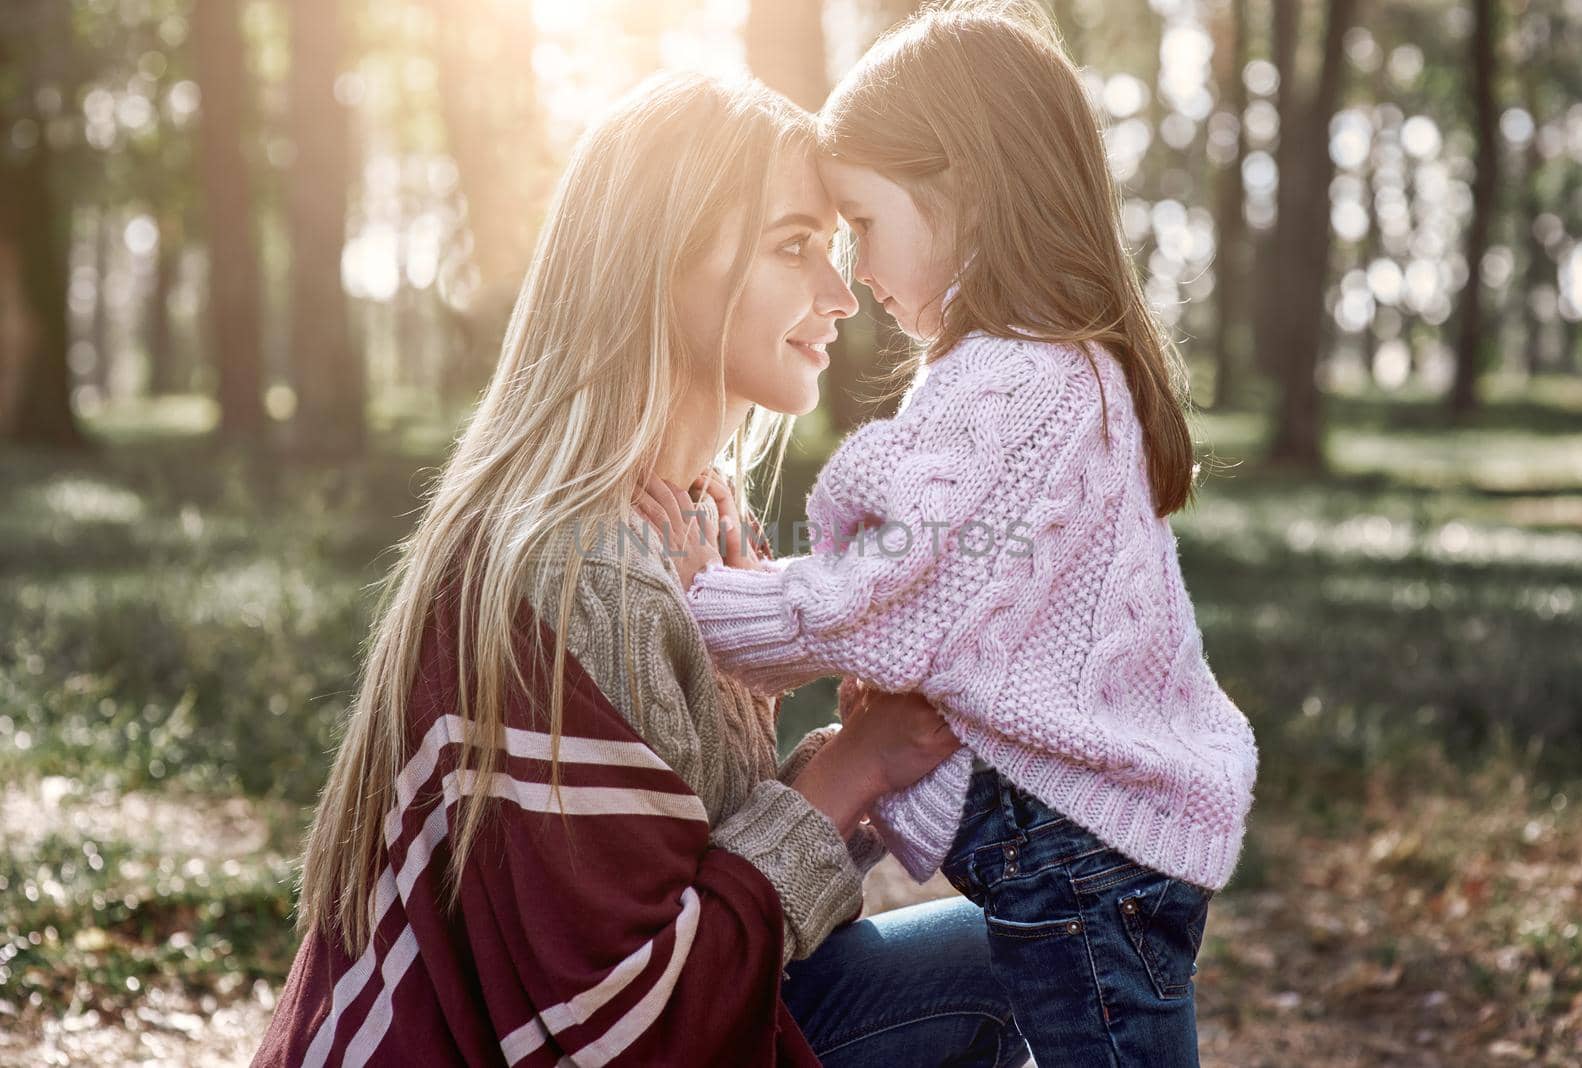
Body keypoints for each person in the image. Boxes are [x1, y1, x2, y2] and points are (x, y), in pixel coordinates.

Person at [252, 70, 1028, 1067]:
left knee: (1022, 942)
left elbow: (666, 887)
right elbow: (618, 1029)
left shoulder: (684, 522)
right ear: (660, 263)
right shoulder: (573, 569)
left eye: (836, 250)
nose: (839, 297)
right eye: (795, 245)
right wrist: (846, 773)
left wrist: (764, 710)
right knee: (1008, 967)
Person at [675, 3, 1260, 1064]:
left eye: (862, 222)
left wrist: (692, 602)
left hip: (1080, 859)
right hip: (1096, 854)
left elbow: (876, 603)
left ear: (965, 195)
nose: (851, 274)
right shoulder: (1042, 368)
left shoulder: (1018, 382)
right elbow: (953, 608)